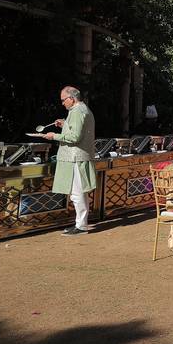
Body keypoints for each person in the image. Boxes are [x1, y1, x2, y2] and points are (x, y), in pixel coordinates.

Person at [44, 86, 96, 236]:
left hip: (75, 158)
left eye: (63, 100)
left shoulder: (78, 111)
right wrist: (65, 124)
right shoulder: (80, 110)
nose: (62, 103)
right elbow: (75, 131)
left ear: (71, 99)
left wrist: (54, 136)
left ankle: (81, 225)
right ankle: (81, 224)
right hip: (77, 157)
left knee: (77, 193)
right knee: (80, 192)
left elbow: (74, 137)